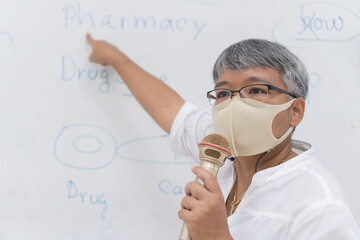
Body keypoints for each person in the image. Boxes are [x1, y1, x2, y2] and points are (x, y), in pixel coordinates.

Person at [86, 33, 360, 239]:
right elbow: (169, 109)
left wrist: (217, 236)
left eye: (256, 91)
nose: (235, 107)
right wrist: (115, 57)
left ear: (295, 111)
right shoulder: (220, 150)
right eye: (224, 93)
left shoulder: (320, 207)